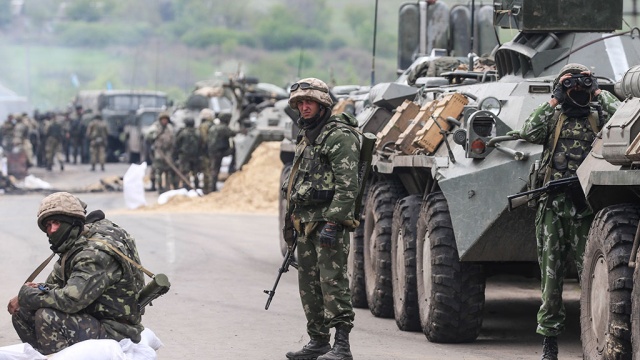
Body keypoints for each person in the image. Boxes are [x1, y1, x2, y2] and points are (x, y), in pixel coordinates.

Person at [508, 63, 619, 360]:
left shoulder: (600, 115)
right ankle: (550, 342)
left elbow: (624, 115)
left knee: (593, 277)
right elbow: (529, 130)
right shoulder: (553, 117)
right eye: (571, 84)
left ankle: (593, 336)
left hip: (585, 209)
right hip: (553, 210)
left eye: (582, 83)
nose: (577, 89)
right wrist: (555, 98)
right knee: (551, 278)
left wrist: (597, 90)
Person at [7, 192, 145, 355]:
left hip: (116, 331)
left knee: (48, 317)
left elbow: (71, 300)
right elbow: (58, 285)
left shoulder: (93, 255)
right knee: (22, 311)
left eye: (56, 223)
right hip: (92, 318)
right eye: (48, 225)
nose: (51, 230)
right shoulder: (75, 242)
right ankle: (45, 356)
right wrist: (30, 294)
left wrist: (28, 295)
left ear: (73, 222)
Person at [283, 78, 361, 360]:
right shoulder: (307, 134)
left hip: (329, 224)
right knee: (310, 286)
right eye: (300, 103)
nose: (304, 107)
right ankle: (318, 341)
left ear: (322, 104)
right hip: (305, 223)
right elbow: (296, 182)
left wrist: (334, 222)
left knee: (333, 283)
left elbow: (347, 185)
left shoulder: (338, 135)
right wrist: (289, 224)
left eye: (309, 102)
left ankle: (342, 346)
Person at [145, 112, 175, 193]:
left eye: (166, 120)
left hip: (168, 152)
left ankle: (168, 187)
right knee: (158, 170)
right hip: (158, 152)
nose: (164, 121)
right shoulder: (155, 128)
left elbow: (173, 139)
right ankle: (159, 187)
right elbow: (148, 137)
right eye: (163, 119)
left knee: (168, 170)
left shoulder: (170, 128)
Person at [207, 112, 236, 192]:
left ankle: (212, 187)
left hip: (212, 151)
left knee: (214, 169)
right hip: (220, 151)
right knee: (234, 150)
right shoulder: (224, 128)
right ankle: (231, 169)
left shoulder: (213, 127)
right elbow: (232, 133)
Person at [174, 117, 201, 189]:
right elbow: (201, 144)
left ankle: (186, 186)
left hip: (184, 156)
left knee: (185, 172)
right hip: (195, 155)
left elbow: (177, 143)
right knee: (195, 172)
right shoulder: (197, 132)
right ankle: (196, 185)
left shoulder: (183, 132)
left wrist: (176, 154)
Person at [198, 108, 215, 194]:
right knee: (211, 169)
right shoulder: (213, 125)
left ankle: (207, 188)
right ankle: (211, 187)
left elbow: (203, 139)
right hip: (212, 151)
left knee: (206, 170)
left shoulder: (203, 126)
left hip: (206, 151)